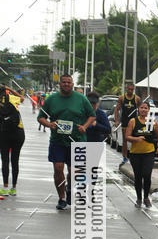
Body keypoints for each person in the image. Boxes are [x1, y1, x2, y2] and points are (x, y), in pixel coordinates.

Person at [37, 74, 95, 210]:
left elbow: (92, 115)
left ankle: (69, 190)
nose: (67, 84)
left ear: (72, 84)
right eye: (64, 82)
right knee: (58, 168)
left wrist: (84, 126)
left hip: (77, 140)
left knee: (73, 171)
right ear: (60, 84)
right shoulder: (52, 99)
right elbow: (41, 118)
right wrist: (50, 124)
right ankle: (62, 197)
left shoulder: (81, 98)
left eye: (69, 82)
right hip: (58, 140)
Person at [125, 100, 158, 208]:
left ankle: (146, 197)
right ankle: (139, 198)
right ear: (138, 109)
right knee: (138, 177)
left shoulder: (153, 122)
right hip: (135, 154)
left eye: (145, 108)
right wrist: (136, 139)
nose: (143, 110)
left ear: (149, 110)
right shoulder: (133, 121)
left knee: (147, 175)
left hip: (149, 153)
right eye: (141, 107)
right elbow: (127, 136)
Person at [0, 86, 25, 196]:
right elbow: (22, 98)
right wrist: (9, 88)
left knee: (5, 160)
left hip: (4, 133)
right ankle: (13, 188)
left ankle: (5, 188)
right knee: (15, 160)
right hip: (18, 133)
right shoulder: (11, 98)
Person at [114, 82, 141, 164]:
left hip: (134, 122)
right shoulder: (122, 98)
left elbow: (140, 110)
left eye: (132, 90)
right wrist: (116, 120)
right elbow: (117, 109)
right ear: (126, 89)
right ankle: (125, 157)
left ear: (133, 90)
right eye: (129, 89)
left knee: (134, 139)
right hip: (125, 121)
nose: (130, 91)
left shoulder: (137, 99)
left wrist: (141, 121)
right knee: (125, 140)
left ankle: (134, 156)